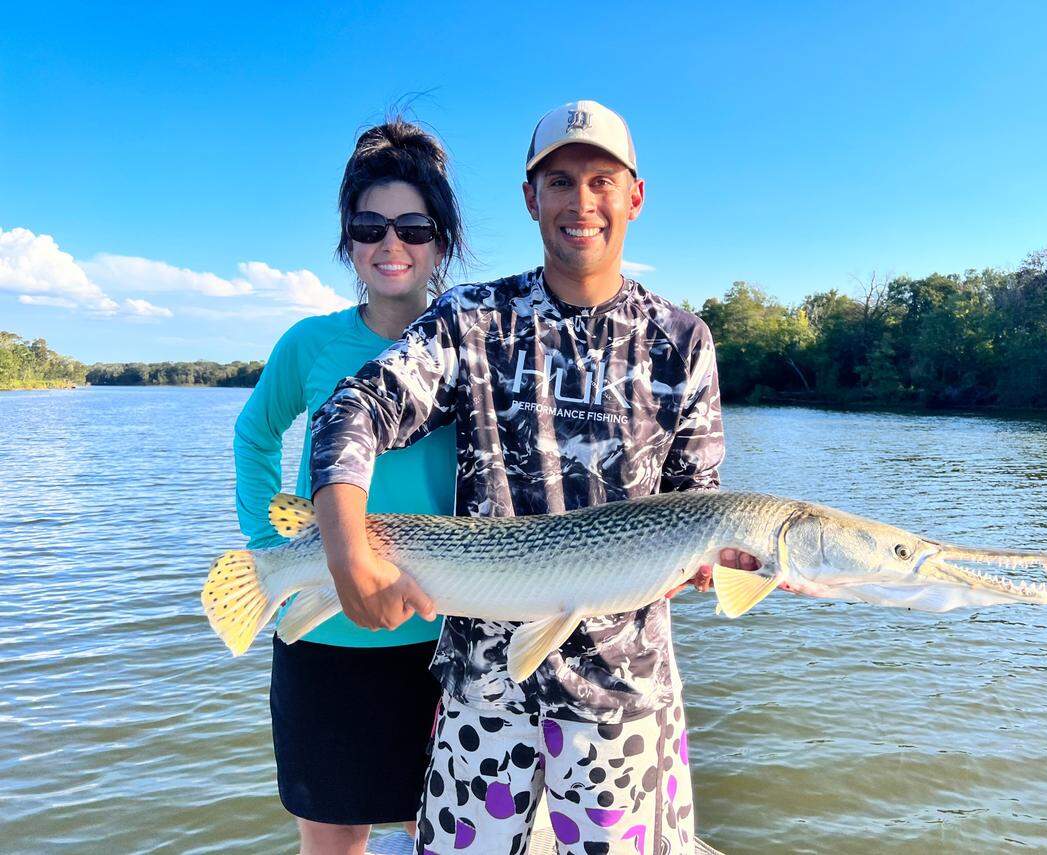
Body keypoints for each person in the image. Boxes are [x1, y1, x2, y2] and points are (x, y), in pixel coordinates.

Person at [309, 100, 757, 854]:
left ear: (634, 196)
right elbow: (354, 408)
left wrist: (723, 563)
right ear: (530, 198)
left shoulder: (684, 341)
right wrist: (347, 550)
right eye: (558, 182)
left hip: (625, 696)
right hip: (482, 689)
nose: (581, 202)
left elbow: (698, 499)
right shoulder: (470, 319)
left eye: (600, 181)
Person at [232, 119, 466, 855]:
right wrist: (270, 543)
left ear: (442, 240)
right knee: (332, 834)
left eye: (412, 226)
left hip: (440, 634)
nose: (390, 244)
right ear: (347, 240)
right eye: (369, 227)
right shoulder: (310, 343)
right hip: (319, 630)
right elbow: (254, 434)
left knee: (434, 828)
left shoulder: (473, 345)